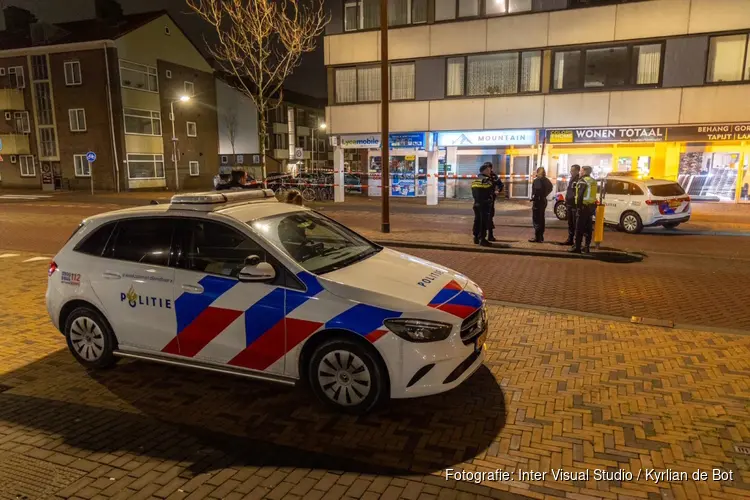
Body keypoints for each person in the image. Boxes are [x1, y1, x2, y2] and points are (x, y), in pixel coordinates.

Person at [571, 166, 597, 254]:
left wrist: (578, 207)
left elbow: (580, 196)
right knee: (588, 229)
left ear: (584, 171)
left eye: (581, 171)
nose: (580, 172)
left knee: (579, 228)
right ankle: (587, 247)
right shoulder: (593, 181)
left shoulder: (582, 181)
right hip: (590, 208)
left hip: (583, 207)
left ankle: (577, 247)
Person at [471, 163, 494, 247]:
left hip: (476, 204)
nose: (490, 171)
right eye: (489, 170)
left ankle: (476, 237)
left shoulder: (475, 180)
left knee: (477, 221)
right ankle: (482, 240)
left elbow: (474, 193)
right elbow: (490, 192)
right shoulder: (487, 180)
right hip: (484, 204)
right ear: (485, 171)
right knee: (483, 222)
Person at [529, 167, 553, 243]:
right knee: (541, 218)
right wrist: (544, 194)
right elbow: (551, 188)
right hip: (543, 201)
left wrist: (533, 198)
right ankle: (541, 236)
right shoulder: (546, 180)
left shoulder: (537, 181)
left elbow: (536, 192)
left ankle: (537, 237)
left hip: (538, 202)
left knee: (536, 219)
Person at [563, 164, 581, 246]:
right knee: (570, 223)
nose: (571, 172)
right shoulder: (572, 179)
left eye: (572, 170)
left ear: (577, 171)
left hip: (574, 205)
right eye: (571, 170)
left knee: (574, 223)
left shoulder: (578, 179)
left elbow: (577, 193)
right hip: (569, 204)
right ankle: (570, 239)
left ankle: (575, 241)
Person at [487, 163, 504, 242]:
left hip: (490, 200)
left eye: (488, 168)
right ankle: (479, 236)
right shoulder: (481, 176)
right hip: (482, 200)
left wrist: (497, 191)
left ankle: (490, 235)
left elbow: (501, 184)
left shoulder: (494, 176)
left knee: (490, 217)